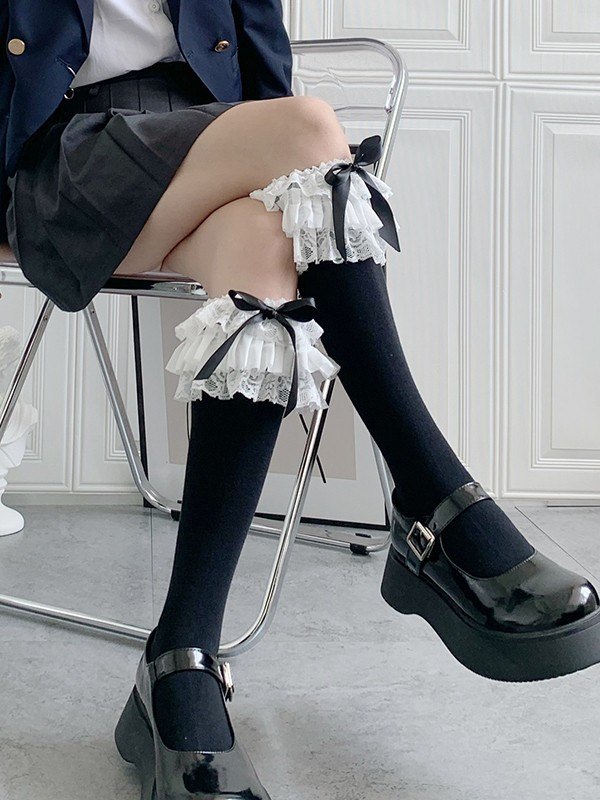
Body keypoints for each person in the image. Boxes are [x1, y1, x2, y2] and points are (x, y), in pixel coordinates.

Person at [2, 2, 599, 798]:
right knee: (311, 130)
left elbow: (257, 52)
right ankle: (433, 501)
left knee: (270, 243)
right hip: (67, 157)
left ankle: (180, 662)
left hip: (207, 146)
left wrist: (280, 183)